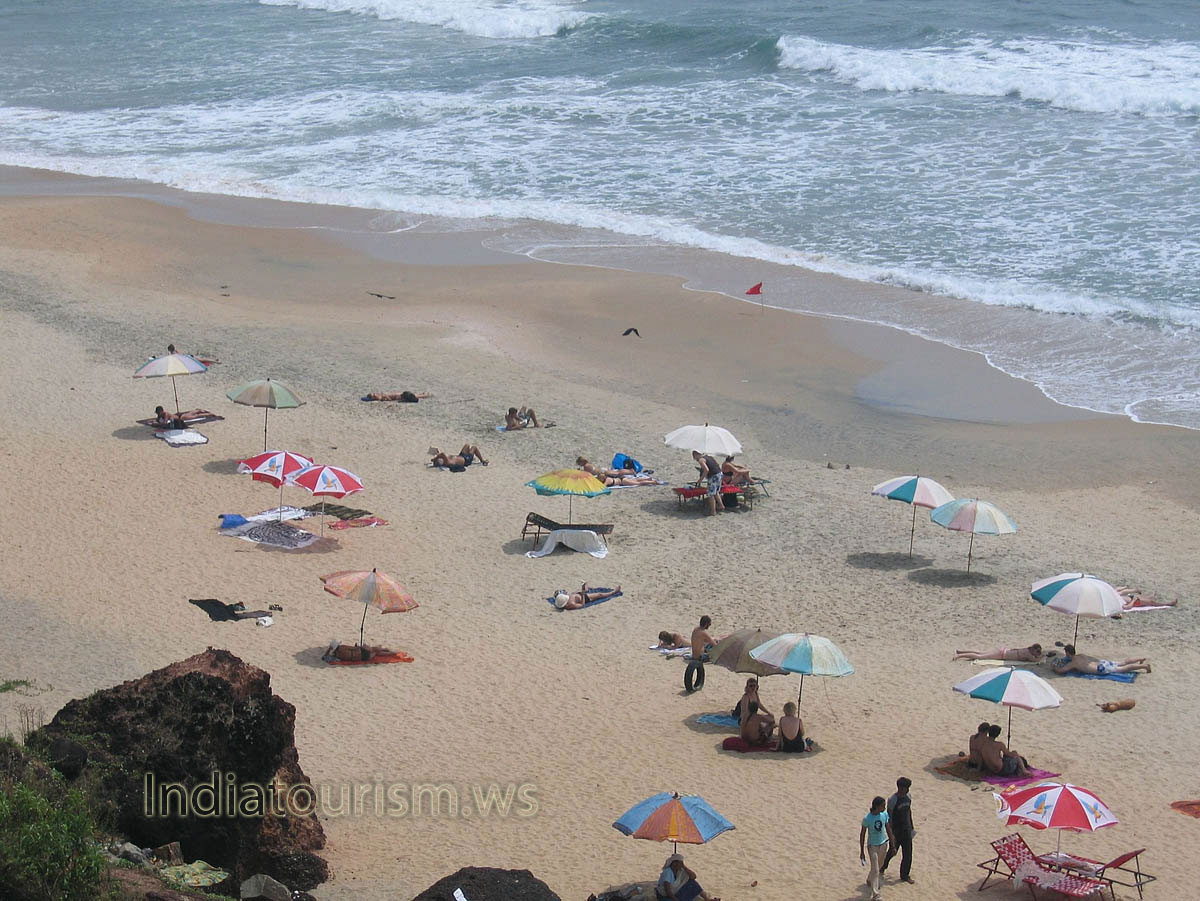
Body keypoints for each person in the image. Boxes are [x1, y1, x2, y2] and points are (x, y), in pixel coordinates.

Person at [859, 796, 894, 901]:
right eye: (883, 805)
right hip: (872, 846)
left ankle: (870, 879)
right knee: (876, 869)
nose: (884, 807)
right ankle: (876, 894)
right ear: (877, 806)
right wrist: (862, 851)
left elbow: (888, 829)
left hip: (883, 844)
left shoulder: (884, 815)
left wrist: (892, 844)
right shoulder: (867, 818)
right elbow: (862, 834)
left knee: (878, 866)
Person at [881, 777, 915, 884]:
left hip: (907, 829)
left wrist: (912, 826)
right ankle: (883, 866)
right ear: (900, 788)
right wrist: (891, 833)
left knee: (908, 854)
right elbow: (889, 817)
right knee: (892, 851)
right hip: (896, 830)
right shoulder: (893, 800)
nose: (908, 790)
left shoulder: (908, 797)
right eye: (906, 788)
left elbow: (909, 812)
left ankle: (904, 875)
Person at [1049, 644, 1151, 675]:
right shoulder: (1081, 655)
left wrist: (1053, 667)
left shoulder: (1073, 663)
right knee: (1122, 662)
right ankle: (1140, 659)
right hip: (1102, 662)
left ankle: (1144, 666)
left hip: (1100, 669)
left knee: (1123, 669)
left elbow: (1061, 671)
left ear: (1067, 653)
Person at [691, 450, 724, 516]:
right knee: (716, 492)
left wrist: (700, 480)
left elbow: (706, 470)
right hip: (719, 474)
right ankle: (721, 505)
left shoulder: (701, 460)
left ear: (695, 455)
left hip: (714, 476)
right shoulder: (709, 457)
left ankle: (713, 511)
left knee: (710, 494)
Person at [553, 583, 622, 610]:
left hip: (577, 595)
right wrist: (583, 594)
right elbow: (582, 604)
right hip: (586, 598)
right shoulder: (572, 605)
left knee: (575, 592)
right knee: (599, 595)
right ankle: (613, 592)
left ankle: (586, 589)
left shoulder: (565, 601)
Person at [953, 644, 1044, 662]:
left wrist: (1039, 655)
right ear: (1033, 650)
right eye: (1037, 652)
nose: (1037, 653)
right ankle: (960, 655)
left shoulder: (1027, 650)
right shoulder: (1028, 654)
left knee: (981, 653)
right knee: (979, 657)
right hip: (1002, 654)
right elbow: (1034, 660)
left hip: (1003, 651)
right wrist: (1041, 656)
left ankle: (961, 651)